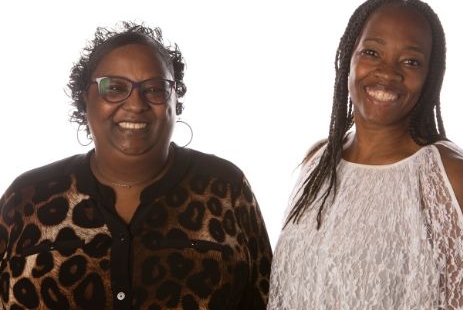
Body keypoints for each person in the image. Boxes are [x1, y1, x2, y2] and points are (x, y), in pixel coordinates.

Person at [0, 23, 272, 310]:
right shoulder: (28, 197)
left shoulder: (225, 188)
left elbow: (272, 299)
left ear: (175, 101)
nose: (135, 104)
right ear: (85, 98)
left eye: (154, 89)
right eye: (114, 88)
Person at [267, 0, 463, 309]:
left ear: (430, 76)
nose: (388, 73)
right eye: (372, 52)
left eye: (411, 61)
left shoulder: (449, 177)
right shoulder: (318, 162)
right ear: (348, 57)